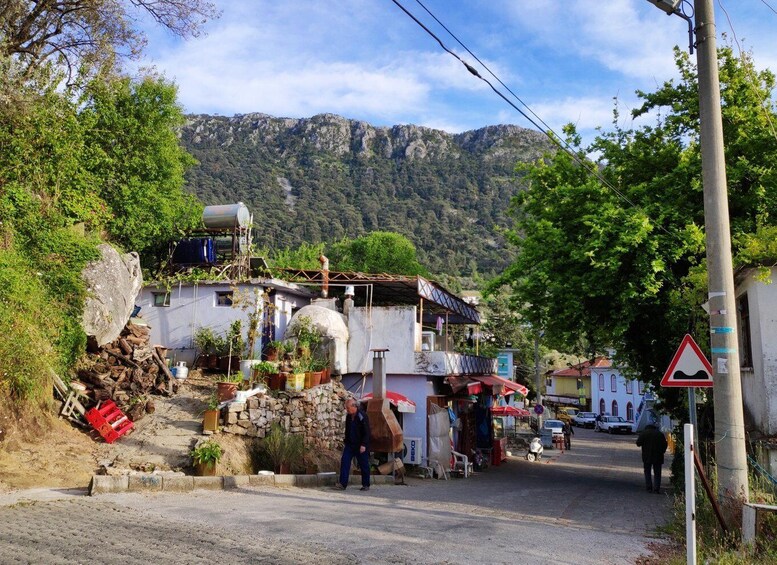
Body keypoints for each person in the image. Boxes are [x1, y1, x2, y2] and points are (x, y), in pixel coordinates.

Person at [334, 398, 371, 491]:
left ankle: (366, 484)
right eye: (346, 408)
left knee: (364, 464)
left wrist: (364, 444)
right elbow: (347, 429)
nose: (346, 409)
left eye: (348, 407)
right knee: (345, 461)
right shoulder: (349, 416)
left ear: (354, 406)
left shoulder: (362, 416)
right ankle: (342, 484)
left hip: (360, 445)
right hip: (350, 444)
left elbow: (367, 432)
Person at [636, 423, 668, 494]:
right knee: (657, 473)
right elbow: (665, 444)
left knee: (647, 472)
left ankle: (649, 488)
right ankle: (656, 489)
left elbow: (638, 443)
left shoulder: (644, 433)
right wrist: (662, 451)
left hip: (647, 456)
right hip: (658, 456)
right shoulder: (660, 434)